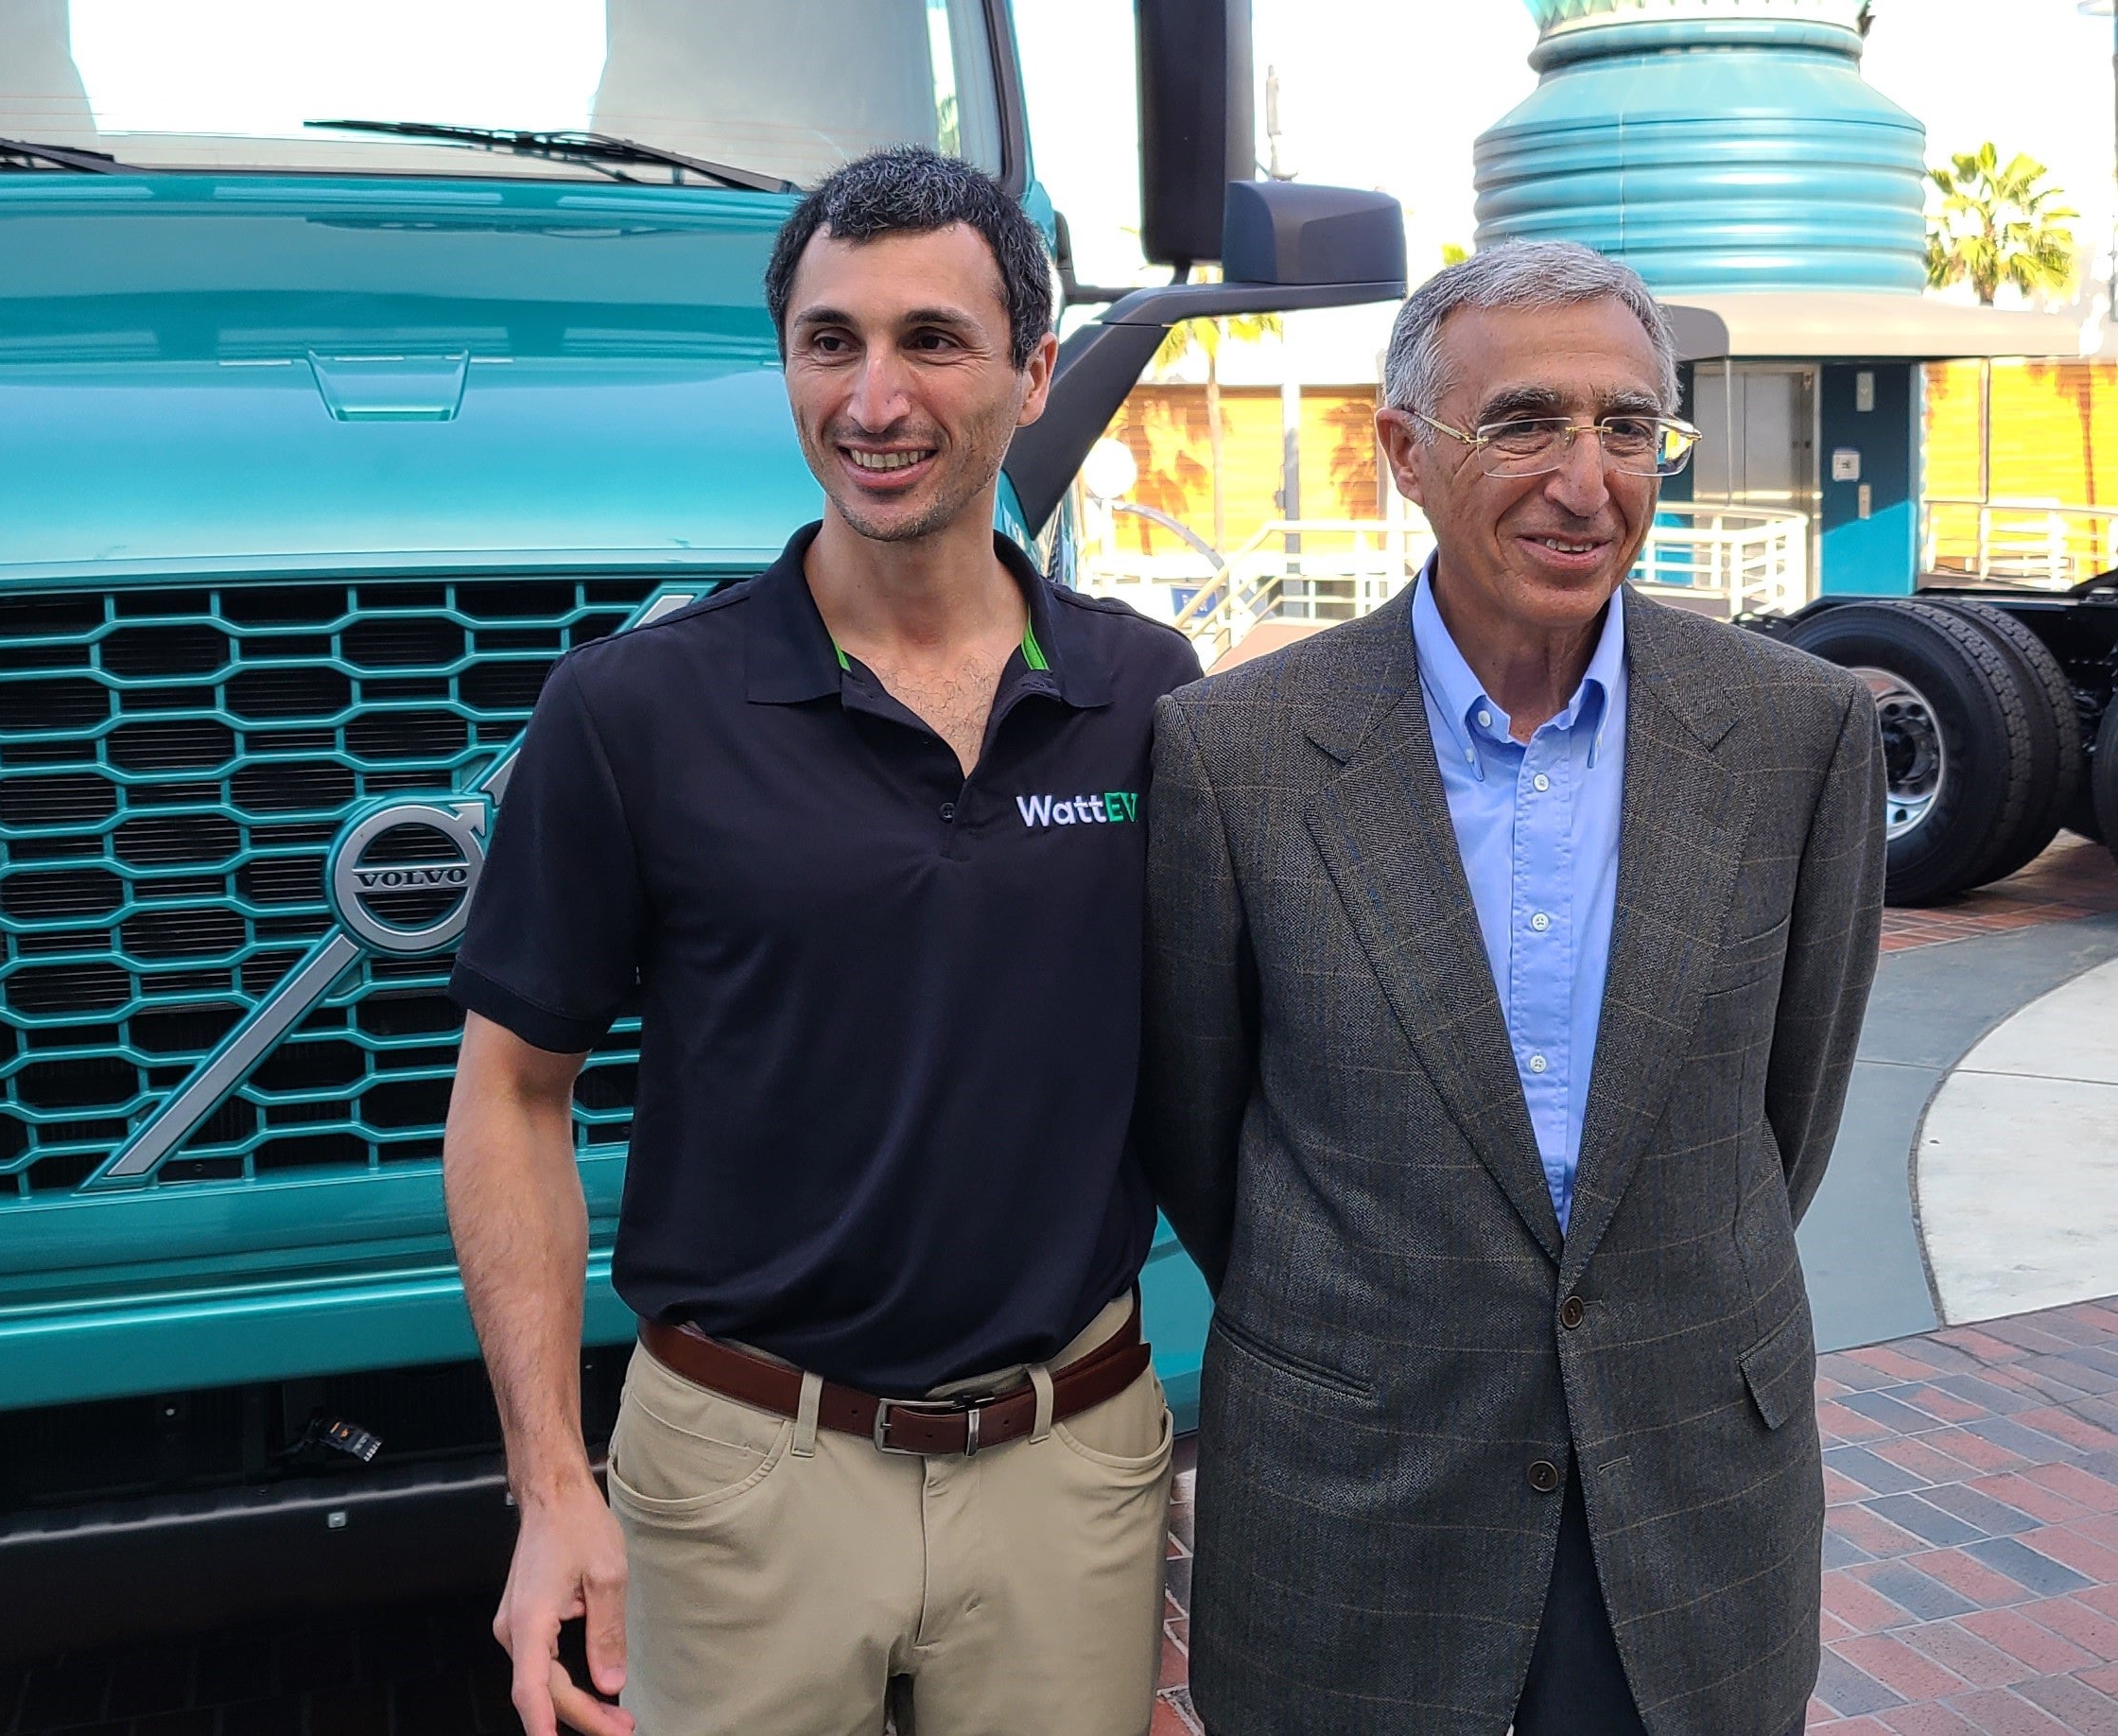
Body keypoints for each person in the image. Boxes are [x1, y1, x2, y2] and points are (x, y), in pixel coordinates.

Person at [443, 148, 1199, 1736]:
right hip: (740, 1470)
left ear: (1035, 372)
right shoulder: (633, 710)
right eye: (828, 342)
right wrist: (552, 1485)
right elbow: (515, 1095)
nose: (875, 399)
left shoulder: (1152, 696)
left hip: (1069, 1462)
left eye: (932, 339)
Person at [1139, 239, 1884, 1736]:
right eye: (1528, 423)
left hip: (1688, 1496)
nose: (1587, 479)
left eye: (1627, 427)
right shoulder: (1238, 755)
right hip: (1359, 1499)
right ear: (1406, 453)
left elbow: (1783, 1118)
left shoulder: (1799, 732)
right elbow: (1202, 1134)